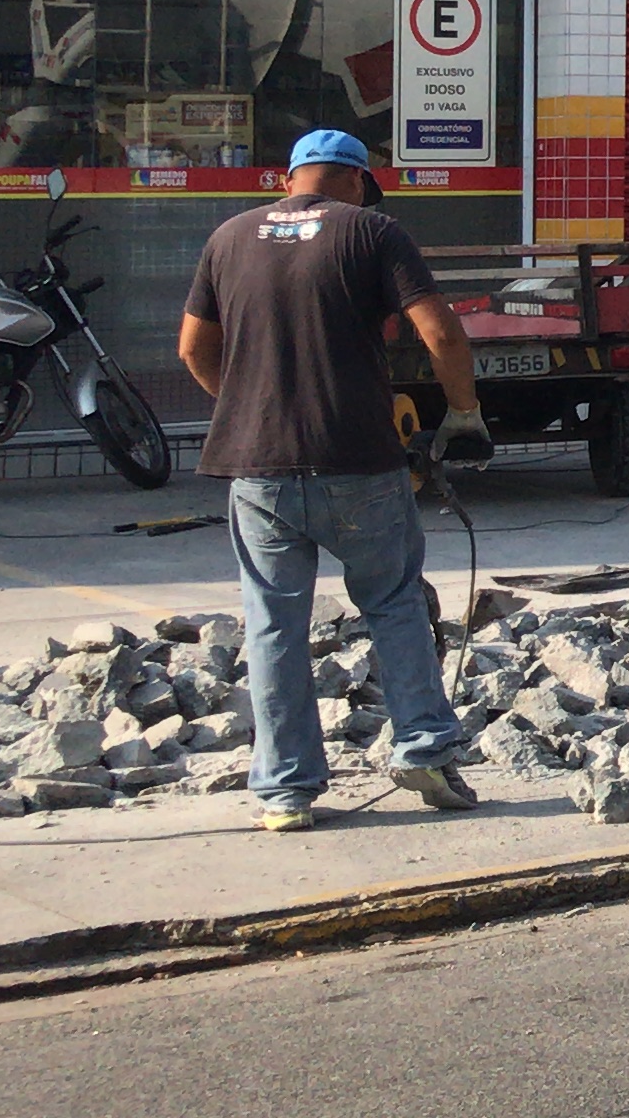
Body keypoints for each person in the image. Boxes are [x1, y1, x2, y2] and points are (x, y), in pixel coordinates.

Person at [177, 128, 488, 831]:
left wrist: (247, 403)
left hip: (256, 469)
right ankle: (424, 750)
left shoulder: (228, 236)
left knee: (274, 624)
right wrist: (464, 413)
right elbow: (442, 334)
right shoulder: (372, 230)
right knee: (394, 602)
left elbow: (193, 348)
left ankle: (285, 793)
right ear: (352, 180)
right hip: (359, 460)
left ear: (291, 177)